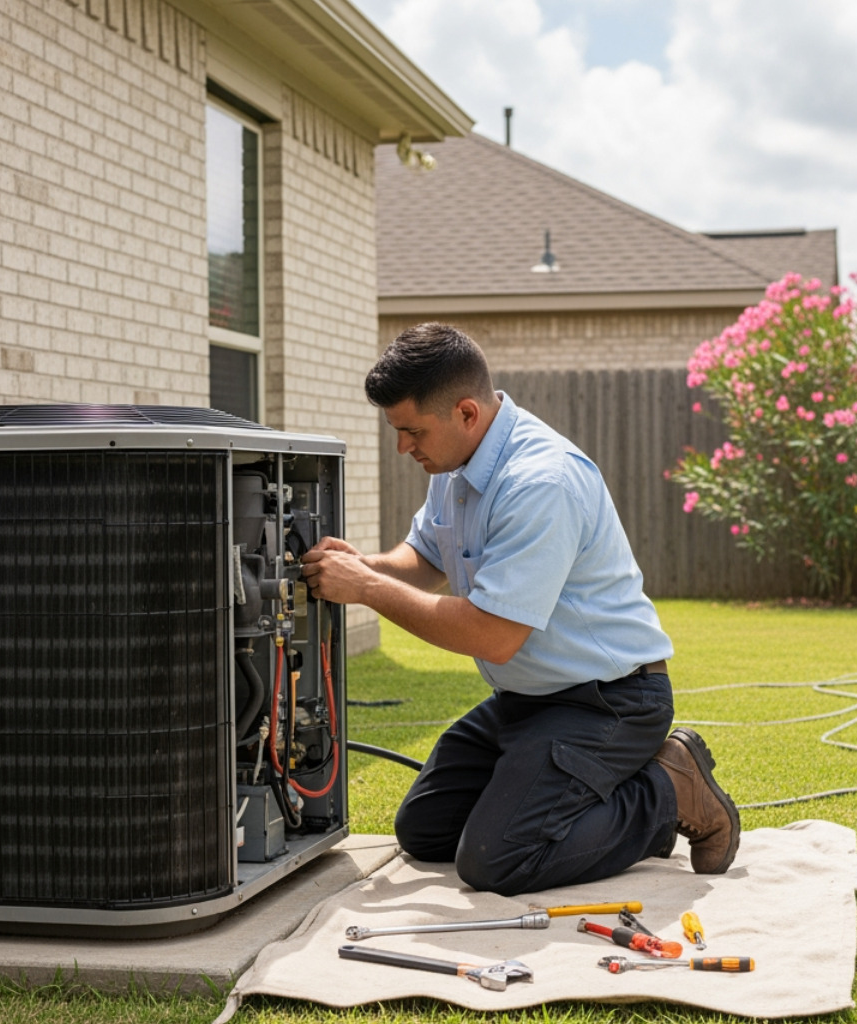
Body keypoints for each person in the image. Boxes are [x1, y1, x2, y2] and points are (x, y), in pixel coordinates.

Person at [300, 323, 741, 896]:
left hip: (610, 702)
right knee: (425, 831)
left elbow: (493, 635)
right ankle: (595, 805)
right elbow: (426, 558)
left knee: (496, 861)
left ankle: (668, 787)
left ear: (465, 413)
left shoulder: (541, 481)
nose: (403, 447)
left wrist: (366, 589)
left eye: (411, 431)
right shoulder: (456, 465)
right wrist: (367, 567)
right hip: (529, 701)